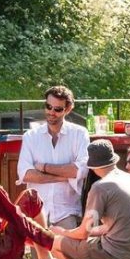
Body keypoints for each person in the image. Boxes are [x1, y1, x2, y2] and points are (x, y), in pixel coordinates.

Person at [54, 140, 130, 259]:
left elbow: (84, 233)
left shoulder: (100, 187)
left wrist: (62, 232)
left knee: (54, 242)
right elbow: (111, 226)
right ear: (114, 160)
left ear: (92, 167)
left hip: (118, 255)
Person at [17, 85, 89, 229]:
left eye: (57, 109)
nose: (51, 112)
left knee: (68, 244)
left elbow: (81, 170)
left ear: (68, 109)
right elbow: (25, 174)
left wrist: (44, 167)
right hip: (36, 213)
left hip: (67, 211)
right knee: (35, 245)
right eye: (48, 107)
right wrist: (64, 177)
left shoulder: (79, 134)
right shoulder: (31, 136)